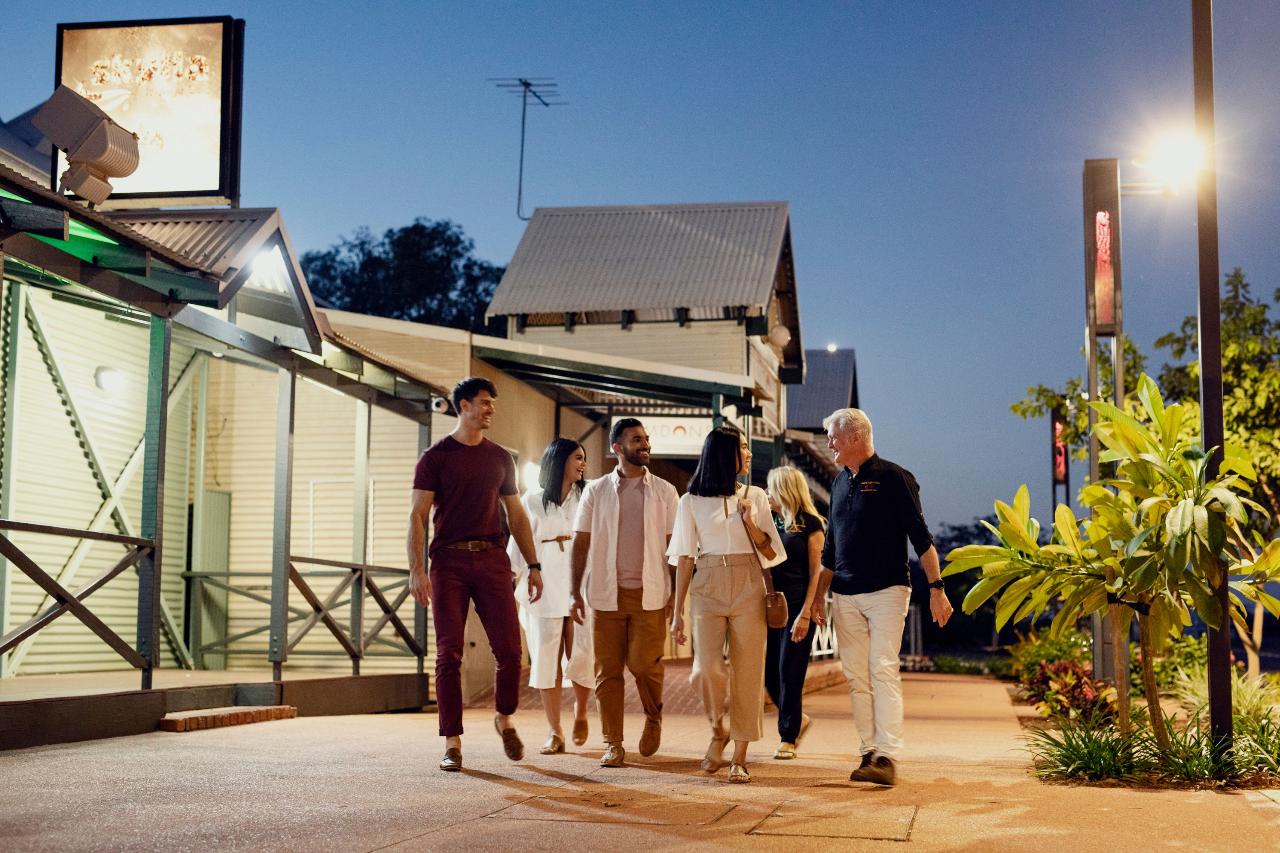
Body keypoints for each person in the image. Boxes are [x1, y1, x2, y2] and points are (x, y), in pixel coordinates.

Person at [408, 377, 544, 773]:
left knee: (511, 651)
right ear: (463, 405)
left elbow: (516, 514)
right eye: (484, 403)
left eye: (492, 404)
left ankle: (504, 718)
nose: (490, 410)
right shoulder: (435, 458)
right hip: (448, 562)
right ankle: (452, 741)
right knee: (449, 653)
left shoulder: (501, 458)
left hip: (491, 559)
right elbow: (417, 516)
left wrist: (533, 566)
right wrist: (417, 569)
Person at [815, 407, 953, 787]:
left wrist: (937, 590)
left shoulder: (894, 477)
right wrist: (816, 599)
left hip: (888, 591)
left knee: (882, 667)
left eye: (834, 437)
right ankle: (868, 752)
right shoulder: (840, 484)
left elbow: (921, 539)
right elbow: (829, 551)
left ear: (856, 437)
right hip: (844, 595)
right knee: (857, 677)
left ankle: (887, 757)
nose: (829, 444)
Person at [668, 425, 785, 784]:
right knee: (706, 669)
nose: (749, 454)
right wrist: (677, 614)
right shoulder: (690, 501)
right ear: (724, 455)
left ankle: (740, 755)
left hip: (749, 583)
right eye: (743, 448)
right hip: (707, 583)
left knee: (749, 672)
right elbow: (685, 557)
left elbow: (770, 552)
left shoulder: (756, 495)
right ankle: (717, 727)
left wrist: (750, 521)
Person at [570, 418, 678, 768]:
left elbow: (672, 547)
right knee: (608, 670)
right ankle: (612, 742)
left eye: (646, 439)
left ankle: (654, 716)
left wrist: (675, 594)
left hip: (650, 593)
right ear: (617, 447)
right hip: (605, 594)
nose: (645, 444)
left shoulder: (664, 491)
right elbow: (581, 541)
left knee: (644, 665)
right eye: (636, 439)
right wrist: (574, 592)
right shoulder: (596, 491)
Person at [508, 438, 594, 754]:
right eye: (577, 458)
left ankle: (582, 712)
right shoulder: (531, 501)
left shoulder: (587, 497)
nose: (583, 464)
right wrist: (512, 576)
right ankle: (554, 730)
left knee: (582, 651)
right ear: (559, 461)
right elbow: (518, 543)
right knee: (547, 658)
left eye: (584, 459)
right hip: (543, 579)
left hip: (579, 579)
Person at [763, 466, 826, 760]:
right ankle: (799, 720)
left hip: (799, 605)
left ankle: (788, 736)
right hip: (772, 607)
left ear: (784, 489)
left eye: (770, 487)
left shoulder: (812, 524)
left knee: (790, 672)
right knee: (769, 676)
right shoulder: (770, 522)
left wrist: (806, 613)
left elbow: (817, 573)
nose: (766, 493)